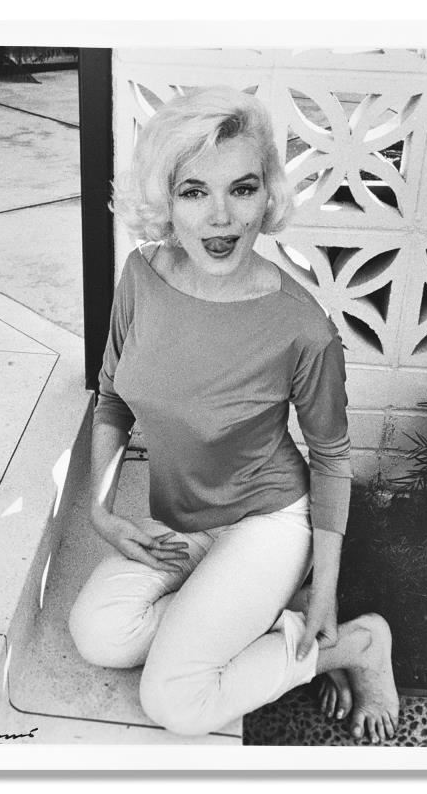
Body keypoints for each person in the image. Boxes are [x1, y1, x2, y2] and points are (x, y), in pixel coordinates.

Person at [68, 86, 399, 742]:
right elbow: (111, 397)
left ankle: (356, 645)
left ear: (266, 195)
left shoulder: (301, 326)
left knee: (176, 702)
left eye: (242, 189)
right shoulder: (140, 276)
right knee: (100, 633)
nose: (220, 217)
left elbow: (331, 458)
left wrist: (326, 590)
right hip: (187, 519)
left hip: (267, 520)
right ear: (165, 199)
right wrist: (101, 512)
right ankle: (249, 618)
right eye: (194, 191)